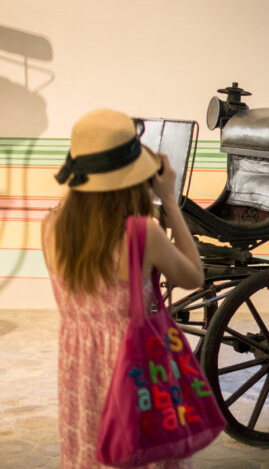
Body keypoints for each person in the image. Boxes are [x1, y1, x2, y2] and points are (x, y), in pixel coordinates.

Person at [41, 108, 205, 468]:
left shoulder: (50, 226)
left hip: (79, 369)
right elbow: (194, 276)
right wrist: (171, 201)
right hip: (133, 369)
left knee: (91, 450)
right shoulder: (141, 234)